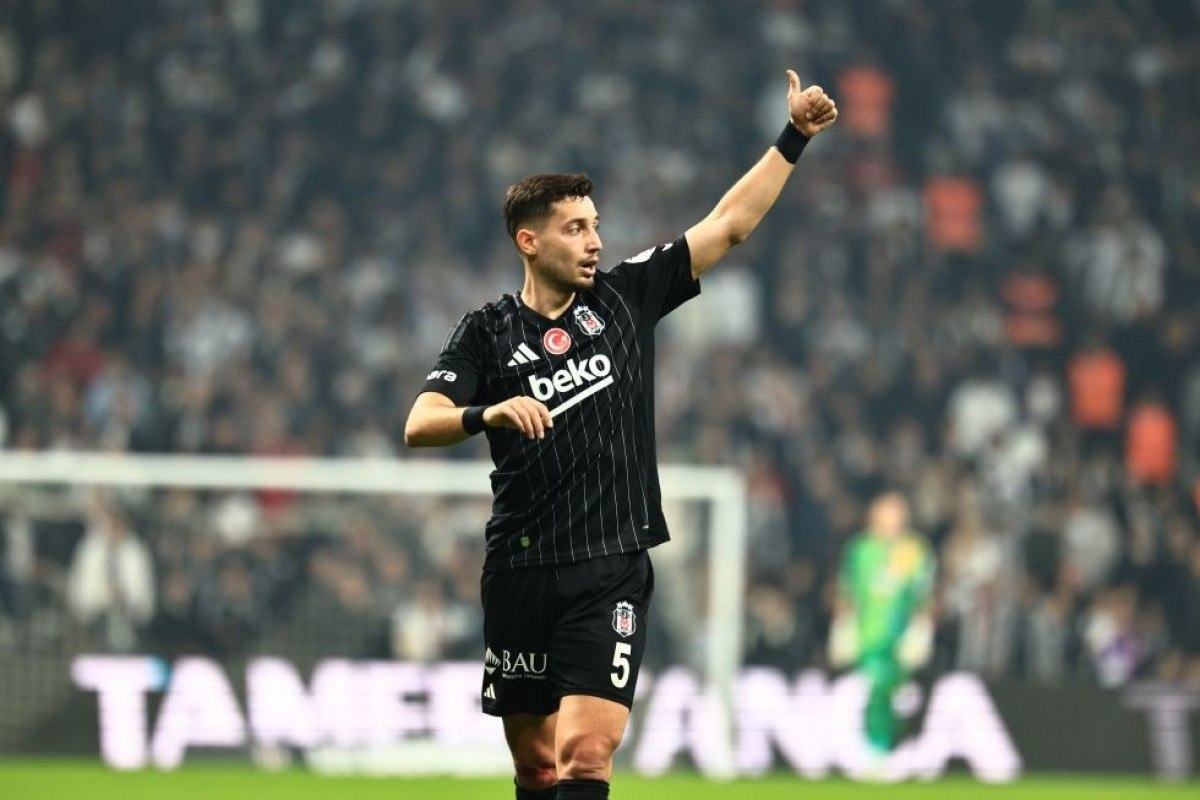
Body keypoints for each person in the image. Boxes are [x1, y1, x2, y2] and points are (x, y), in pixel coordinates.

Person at [405, 70, 837, 799]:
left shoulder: (626, 297)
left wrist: (792, 137)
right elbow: (420, 424)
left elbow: (728, 224)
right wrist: (489, 413)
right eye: (576, 229)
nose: (595, 241)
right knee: (535, 765)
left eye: (597, 225)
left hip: (610, 567)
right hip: (519, 567)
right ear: (529, 240)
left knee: (585, 753)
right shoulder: (486, 331)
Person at [830, 492, 936, 766]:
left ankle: (887, 748)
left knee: (892, 693)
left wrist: (921, 630)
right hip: (868, 636)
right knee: (876, 690)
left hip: (900, 636)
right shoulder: (861, 550)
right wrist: (842, 627)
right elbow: (846, 590)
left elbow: (924, 593)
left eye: (897, 512)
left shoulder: (914, 550)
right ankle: (880, 749)